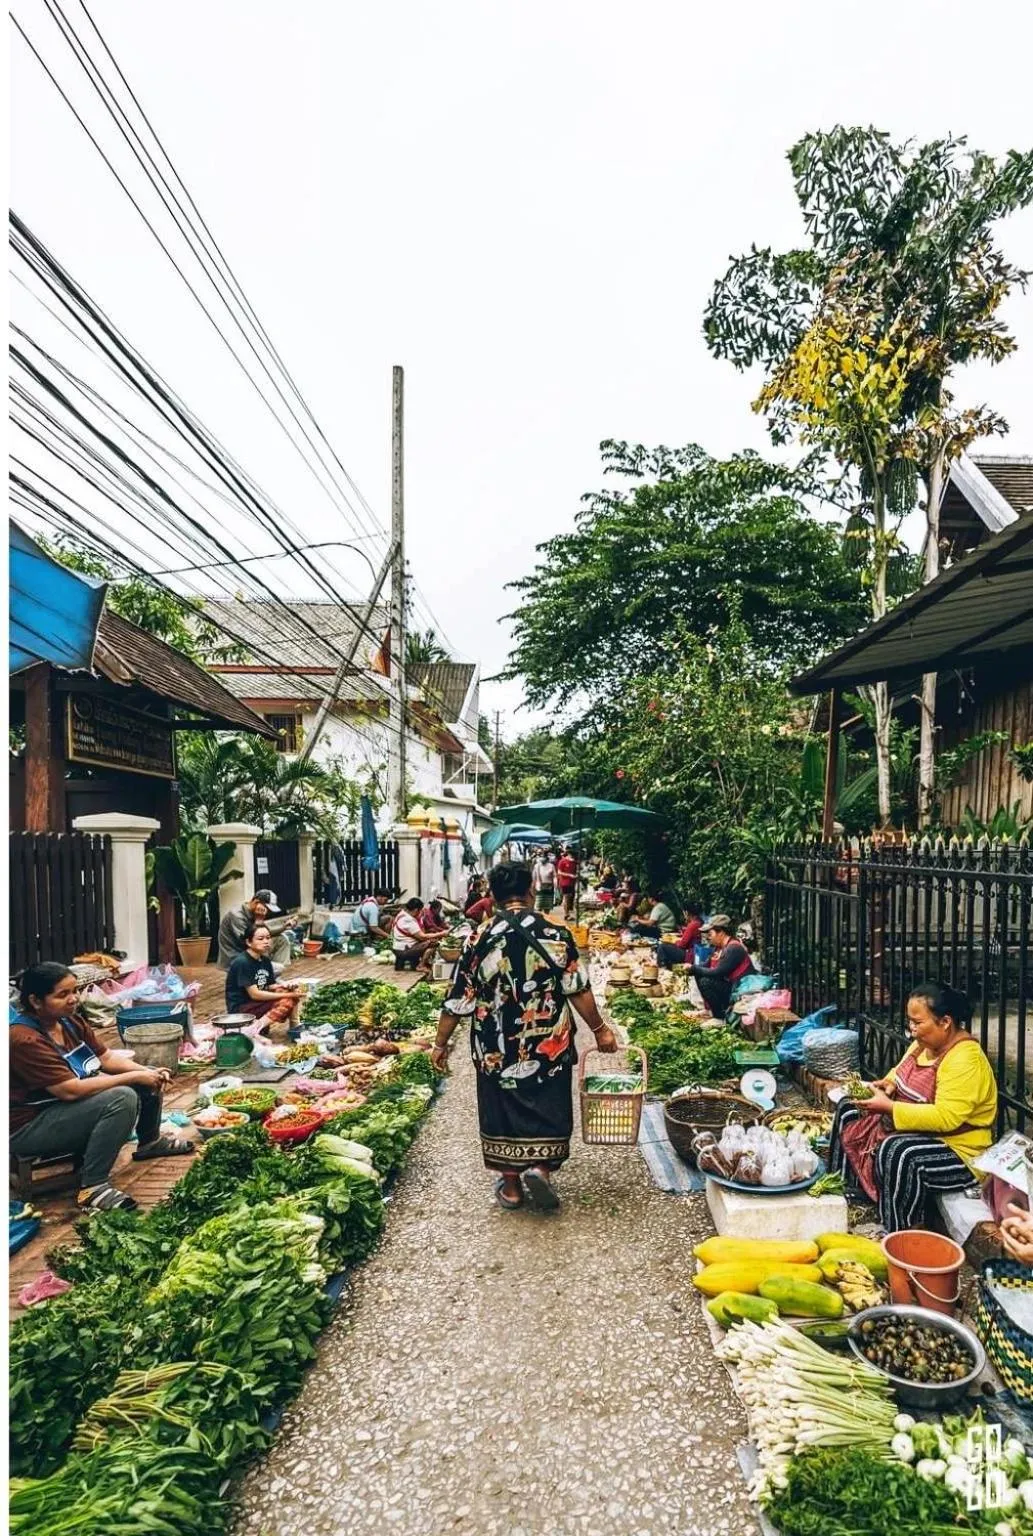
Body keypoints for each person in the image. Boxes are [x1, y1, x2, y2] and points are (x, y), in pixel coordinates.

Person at [430, 862, 618, 1212]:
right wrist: (600, 1030)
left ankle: (513, 1187)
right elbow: (577, 988)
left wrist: (440, 1044)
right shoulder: (555, 933)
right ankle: (542, 1170)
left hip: (495, 1047)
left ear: (494, 896)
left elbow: (458, 1000)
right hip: (548, 1043)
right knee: (548, 1102)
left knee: (500, 1108)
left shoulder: (478, 937)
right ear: (531, 889)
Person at [10, 962, 194, 1213]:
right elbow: (69, 1090)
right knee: (121, 1097)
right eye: (62, 995)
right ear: (35, 1001)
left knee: (145, 1078)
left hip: (60, 1107)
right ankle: (93, 1187)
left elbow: (106, 1059)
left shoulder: (71, 1023)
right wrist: (134, 1078)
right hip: (27, 1126)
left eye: (74, 991)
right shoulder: (24, 1039)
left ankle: (149, 1142)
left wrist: (146, 1072)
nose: (73, 999)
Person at [827, 982, 998, 1234]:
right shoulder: (923, 1045)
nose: (912, 1029)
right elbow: (901, 1071)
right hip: (918, 1129)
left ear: (945, 1022)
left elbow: (946, 1118)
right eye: (910, 1021)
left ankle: (903, 1233)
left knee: (899, 1152)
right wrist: (886, 1084)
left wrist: (891, 1108)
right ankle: (848, 1192)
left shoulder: (965, 1059)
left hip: (960, 1150)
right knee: (850, 1109)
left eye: (918, 1023)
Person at [225, 924, 301, 1025]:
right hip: (242, 1008)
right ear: (248, 942)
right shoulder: (242, 962)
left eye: (268, 938)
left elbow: (270, 985)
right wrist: (289, 994)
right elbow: (255, 994)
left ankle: (294, 1026)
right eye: (260, 939)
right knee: (288, 999)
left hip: (256, 1004)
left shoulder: (264, 960)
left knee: (291, 991)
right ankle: (256, 1027)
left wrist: (286, 985)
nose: (266, 941)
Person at [686, 915, 753, 1018]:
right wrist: (690, 968)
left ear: (721, 933)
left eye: (710, 933)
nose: (708, 937)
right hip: (728, 986)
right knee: (698, 972)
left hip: (738, 990)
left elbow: (718, 972)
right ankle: (709, 1010)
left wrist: (695, 969)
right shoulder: (718, 948)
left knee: (705, 981)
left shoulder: (734, 948)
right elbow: (705, 965)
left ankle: (719, 1017)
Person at [218, 889, 293, 970]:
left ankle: (271, 975)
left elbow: (266, 933)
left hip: (249, 949)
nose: (267, 911)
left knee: (281, 940)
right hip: (235, 956)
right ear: (256, 902)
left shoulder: (254, 912)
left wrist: (284, 927)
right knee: (262, 945)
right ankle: (268, 973)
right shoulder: (237, 915)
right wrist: (259, 921)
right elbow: (248, 941)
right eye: (266, 907)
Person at [392, 897, 439, 972]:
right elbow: (422, 936)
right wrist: (440, 934)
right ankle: (421, 965)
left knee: (425, 941)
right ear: (416, 910)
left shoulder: (401, 914)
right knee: (433, 943)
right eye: (420, 911)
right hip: (405, 950)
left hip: (397, 947)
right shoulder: (409, 920)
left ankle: (414, 963)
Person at [657, 903, 704, 969]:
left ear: (687, 913)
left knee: (662, 947)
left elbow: (682, 945)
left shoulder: (693, 925)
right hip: (693, 952)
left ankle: (662, 968)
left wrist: (675, 941)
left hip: (689, 955)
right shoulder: (700, 922)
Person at [532, 849, 558, 914]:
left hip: (549, 888)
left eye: (544, 856)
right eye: (541, 856)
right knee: (538, 907)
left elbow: (555, 876)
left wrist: (555, 884)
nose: (542, 858)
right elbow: (534, 878)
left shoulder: (551, 866)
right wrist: (533, 889)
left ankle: (547, 920)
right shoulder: (537, 866)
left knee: (547, 907)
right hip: (539, 888)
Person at [556, 847, 579, 919]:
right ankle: (566, 914)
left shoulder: (574, 862)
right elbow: (559, 872)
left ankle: (567, 913)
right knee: (566, 898)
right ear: (568, 854)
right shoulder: (562, 861)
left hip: (572, 883)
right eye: (572, 854)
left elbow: (576, 871)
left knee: (569, 898)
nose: (573, 856)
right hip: (565, 882)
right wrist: (569, 875)